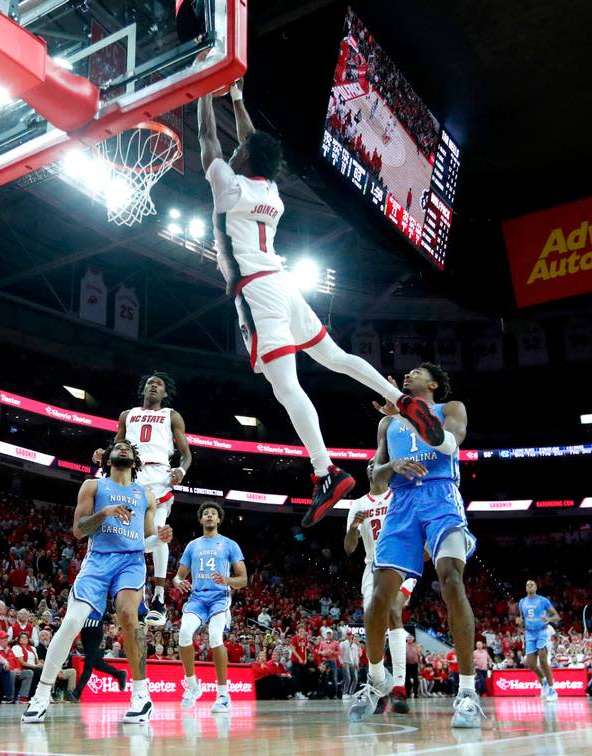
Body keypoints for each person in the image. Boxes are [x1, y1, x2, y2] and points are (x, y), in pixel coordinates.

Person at [197, 82, 445, 525]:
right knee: (335, 356)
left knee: (285, 386)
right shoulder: (270, 191)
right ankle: (399, 398)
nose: (233, 151)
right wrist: (236, 96)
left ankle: (324, 471)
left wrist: (201, 93)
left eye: (240, 151)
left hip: (257, 292)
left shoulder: (229, 186)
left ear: (245, 160)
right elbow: (249, 142)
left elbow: (206, 139)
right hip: (285, 284)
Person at [349, 363, 482, 728]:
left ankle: (468, 693)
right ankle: (376, 680)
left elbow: (451, 441)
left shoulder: (450, 408)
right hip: (401, 504)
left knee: (451, 580)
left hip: (440, 496)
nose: (408, 375)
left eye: (417, 372)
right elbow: (374, 475)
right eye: (406, 374)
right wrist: (393, 463)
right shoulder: (385, 424)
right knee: (379, 597)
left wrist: (409, 411)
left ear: (434, 383)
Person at [22, 440, 172, 724]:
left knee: (129, 615)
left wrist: (160, 539)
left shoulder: (146, 496)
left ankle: (141, 695)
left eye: (128, 446)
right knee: (71, 622)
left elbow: (146, 542)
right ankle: (41, 694)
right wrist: (104, 513)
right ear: (108, 458)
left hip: (130, 561)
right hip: (98, 561)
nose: (124, 447)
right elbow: (79, 532)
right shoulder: (93, 486)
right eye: (119, 446)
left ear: (136, 460)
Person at [93, 371, 193, 627]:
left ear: (165, 393)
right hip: (131, 477)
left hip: (159, 476)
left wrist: (181, 470)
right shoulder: (127, 415)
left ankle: (159, 597)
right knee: (125, 536)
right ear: (143, 389)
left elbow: (186, 454)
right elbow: (116, 448)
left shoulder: (171, 415)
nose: (153, 386)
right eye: (150, 383)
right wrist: (103, 455)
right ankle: (127, 593)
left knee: (158, 533)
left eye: (159, 384)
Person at [342, 459, 418, 712]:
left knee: (394, 612)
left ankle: (399, 686)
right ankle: (378, 682)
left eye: (380, 463)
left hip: (401, 563)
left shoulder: (399, 495)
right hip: (372, 567)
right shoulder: (358, 504)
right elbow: (349, 548)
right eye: (371, 465)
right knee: (371, 618)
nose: (375, 467)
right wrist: (354, 526)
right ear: (367, 472)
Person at [173, 501, 247, 713]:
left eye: (213, 514)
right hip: (197, 598)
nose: (209, 516)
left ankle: (223, 694)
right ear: (200, 519)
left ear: (218, 520)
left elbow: (243, 579)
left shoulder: (229, 544)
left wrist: (227, 580)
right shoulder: (192, 545)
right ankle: (193, 685)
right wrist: (180, 582)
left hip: (219, 598)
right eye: (206, 514)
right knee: (184, 634)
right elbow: (178, 577)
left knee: (215, 637)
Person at [517, 579, 562, 701]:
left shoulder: (543, 600)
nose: (529, 586)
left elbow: (557, 616)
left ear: (536, 587)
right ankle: (544, 681)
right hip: (529, 634)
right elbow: (522, 620)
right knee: (531, 664)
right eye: (527, 585)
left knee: (542, 660)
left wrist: (548, 619)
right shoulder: (521, 602)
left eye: (532, 584)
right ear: (526, 588)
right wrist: (519, 622)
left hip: (542, 632)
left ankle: (552, 690)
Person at [72, 609, 126, 701]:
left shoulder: (102, 598)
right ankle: (119, 674)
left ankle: (77, 692)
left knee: (88, 665)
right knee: (96, 662)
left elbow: (114, 614)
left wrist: (117, 627)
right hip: (84, 631)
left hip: (95, 631)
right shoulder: (84, 597)